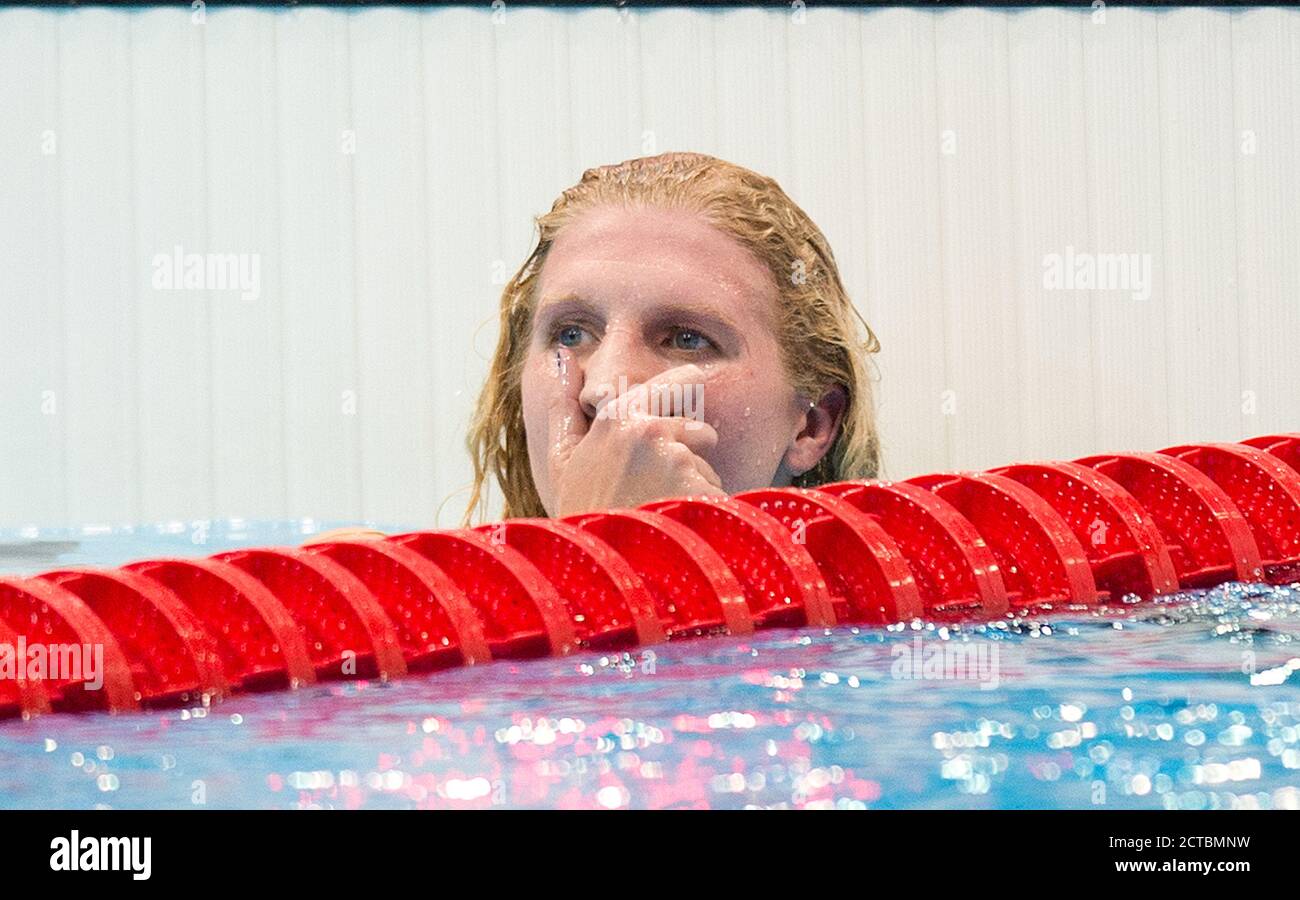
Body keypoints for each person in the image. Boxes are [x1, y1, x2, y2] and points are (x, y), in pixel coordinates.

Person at [308, 151, 880, 544]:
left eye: (685, 339)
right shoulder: (376, 610)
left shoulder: (882, 638)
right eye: (572, 334)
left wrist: (599, 546)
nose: (607, 385)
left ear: (811, 425)